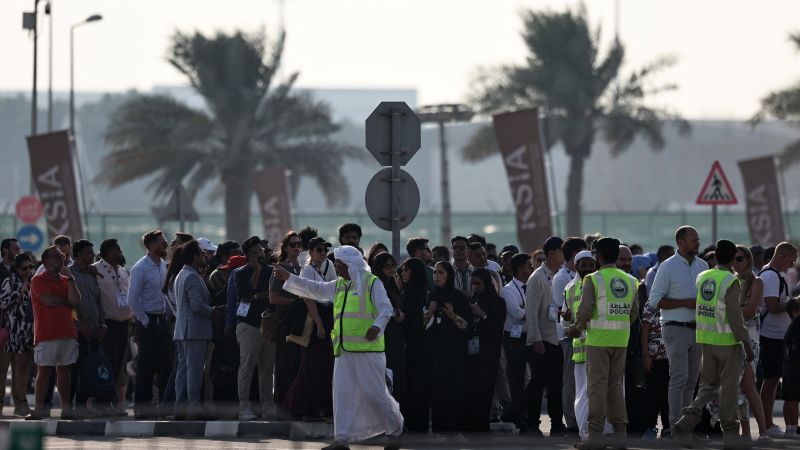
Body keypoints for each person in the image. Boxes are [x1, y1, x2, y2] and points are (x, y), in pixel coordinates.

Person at [274, 245, 403, 450]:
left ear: (350, 264)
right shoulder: (340, 285)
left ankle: (394, 431)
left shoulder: (372, 283)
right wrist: (289, 278)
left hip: (368, 351)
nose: (336, 265)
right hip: (343, 351)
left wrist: (376, 327)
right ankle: (341, 439)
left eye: (339, 263)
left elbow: (386, 309)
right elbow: (316, 289)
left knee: (374, 393)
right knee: (342, 395)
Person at [672, 240, 754, 449]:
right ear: (732, 258)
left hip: (706, 340)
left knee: (707, 387)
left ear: (716, 256)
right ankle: (731, 436)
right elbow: (735, 317)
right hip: (727, 342)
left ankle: (686, 421)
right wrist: (746, 342)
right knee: (728, 389)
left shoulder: (703, 277)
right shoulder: (731, 281)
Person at [567, 237, 639, 449]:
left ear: (598, 256)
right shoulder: (630, 280)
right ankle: (620, 436)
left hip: (598, 341)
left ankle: (595, 436)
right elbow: (634, 313)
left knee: (596, 389)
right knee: (615, 388)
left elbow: (585, 310)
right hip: (621, 340)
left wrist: (576, 328)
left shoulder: (593, 279)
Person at [647, 226, 708, 431]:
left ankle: (686, 427)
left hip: (697, 329)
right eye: (694, 240)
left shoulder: (703, 265)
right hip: (675, 328)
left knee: (692, 381)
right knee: (679, 377)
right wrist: (685, 303)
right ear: (680, 243)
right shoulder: (668, 266)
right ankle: (674, 427)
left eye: (698, 240)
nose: (698, 243)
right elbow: (654, 301)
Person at [283, 237, 336, 421]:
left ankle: (321, 407)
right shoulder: (307, 270)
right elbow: (308, 298)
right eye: (319, 250)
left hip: (328, 313)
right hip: (314, 316)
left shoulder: (329, 266)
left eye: (325, 250)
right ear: (311, 252)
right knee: (312, 365)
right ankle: (302, 407)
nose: (323, 253)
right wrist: (319, 324)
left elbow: (333, 291)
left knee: (325, 366)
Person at [26, 246, 81, 420]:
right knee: (44, 372)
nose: (61, 259)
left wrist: (71, 277)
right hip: (46, 333)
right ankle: (39, 410)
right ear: (45, 260)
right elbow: (48, 300)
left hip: (67, 331)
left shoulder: (66, 280)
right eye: (56, 257)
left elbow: (76, 300)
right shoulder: (38, 280)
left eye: (62, 256)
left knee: (64, 371)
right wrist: (67, 303)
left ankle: (66, 408)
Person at [564, 250, 609, 442]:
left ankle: (604, 431)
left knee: (602, 391)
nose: (588, 268)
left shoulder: (601, 284)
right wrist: (567, 320)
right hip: (582, 349)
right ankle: (585, 433)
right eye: (584, 265)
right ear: (576, 266)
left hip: (601, 345)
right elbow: (566, 323)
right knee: (583, 394)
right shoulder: (569, 288)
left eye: (591, 264)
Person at [173, 240, 220, 420]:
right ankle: (193, 406)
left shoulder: (182, 274)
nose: (205, 256)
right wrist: (214, 312)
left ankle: (180, 406)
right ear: (194, 256)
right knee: (194, 370)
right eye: (201, 253)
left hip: (183, 330)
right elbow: (197, 305)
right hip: (194, 330)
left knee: (184, 369)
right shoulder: (192, 276)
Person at [128, 230, 172, 419]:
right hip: (148, 321)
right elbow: (132, 298)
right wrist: (144, 321)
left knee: (165, 364)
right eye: (163, 243)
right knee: (146, 366)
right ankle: (142, 408)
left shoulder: (163, 265)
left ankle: (162, 406)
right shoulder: (140, 268)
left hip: (162, 320)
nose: (166, 245)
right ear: (152, 245)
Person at [524, 236, 566, 436]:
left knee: (557, 385)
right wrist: (535, 339)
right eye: (561, 251)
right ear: (551, 253)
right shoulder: (537, 277)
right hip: (542, 340)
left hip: (557, 338)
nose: (564, 255)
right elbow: (531, 311)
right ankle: (532, 422)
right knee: (538, 384)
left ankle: (557, 424)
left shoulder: (561, 275)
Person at [424, 261, 471, 433]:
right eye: (435, 272)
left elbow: (467, 327)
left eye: (440, 272)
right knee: (436, 389)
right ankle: (438, 427)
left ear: (449, 275)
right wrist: (429, 313)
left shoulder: (459, 297)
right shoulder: (432, 296)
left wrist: (452, 315)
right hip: (435, 352)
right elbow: (423, 327)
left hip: (453, 351)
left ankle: (452, 427)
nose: (436, 276)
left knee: (452, 389)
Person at [758, 241, 799, 438]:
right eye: (791, 261)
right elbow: (772, 306)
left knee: (776, 380)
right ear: (782, 256)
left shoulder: (775, 275)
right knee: (771, 380)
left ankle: (771, 424)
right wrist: (793, 304)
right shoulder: (771, 276)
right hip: (770, 335)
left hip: (778, 336)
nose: (791, 265)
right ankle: (766, 424)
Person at [235, 236, 276, 421]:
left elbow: (273, 295)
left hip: (268, 326)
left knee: (267, 370)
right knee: (247, 367)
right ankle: (244, 407)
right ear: (247, 256)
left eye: (260, 251)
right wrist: (257, 271)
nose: (259, 255)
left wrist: (258, 296)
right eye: (254, 253)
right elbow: (245, 294)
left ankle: (268, 406)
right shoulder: (241, 273)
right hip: (249, 325)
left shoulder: (273, 272)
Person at [732, 245, 770, 442]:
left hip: (749, 336)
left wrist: (729, 309)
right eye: (732, 259)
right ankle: (745, 431)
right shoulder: (730, 280)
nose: (735, 263)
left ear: (748, 260)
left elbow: (750, 310)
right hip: (730, 335)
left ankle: (762, 431)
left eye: (739, 258)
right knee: (737, 386)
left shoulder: (757, 281)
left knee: (748, 384)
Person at [460, 268, 506, 432]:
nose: (475, 287)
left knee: (484, 391)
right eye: (472, 284)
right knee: (469, 391)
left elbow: (497, 328)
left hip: (488, 355)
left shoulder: (498, 303)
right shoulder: (470, 300)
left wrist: (483, 315)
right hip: (471, 354)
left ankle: (481, 427)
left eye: (478, 283)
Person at [552, 237, 588, 436]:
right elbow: (562, 310)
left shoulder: (580, 276)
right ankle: (572, 423)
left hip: (584, 335)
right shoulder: (564, 278)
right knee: (571, 382)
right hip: (569, 336)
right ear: (574, 255)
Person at [69, 239, 108, 417]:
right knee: (75, 370)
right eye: (88, 252)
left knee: (90, 370)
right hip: (77, 331)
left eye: (92, 252)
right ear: (77, 255)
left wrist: (102, 325)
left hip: (95, 330)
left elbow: (98, 301)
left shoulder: (93, 274)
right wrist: (80, 325)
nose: (92, 255)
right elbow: (70, 306)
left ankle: (84, 406)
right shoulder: (69, 273)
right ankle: (69, 407)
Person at [93, 239, 132, 416]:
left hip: (124, 324)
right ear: (109, 251)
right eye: (117, 249)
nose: (120, 251)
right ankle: (102, 402)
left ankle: (114, 402)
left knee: (118, 365)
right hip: (107, 325)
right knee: (107, 364)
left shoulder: (123, 271)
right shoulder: (95, 270)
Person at [269, 232, 304, 410]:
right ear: (285, 247)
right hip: (285, 321)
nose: (296, 247)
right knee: (285, 364)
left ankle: (295, 403)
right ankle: (282, 406)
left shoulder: (303, 268)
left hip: (301, 323)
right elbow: (273, 298)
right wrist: (297, 303)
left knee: (298, 364)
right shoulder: (280, 268)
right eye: (292, 244)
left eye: (299, 244)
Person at [501, 253, 534, 429]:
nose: (532, 268)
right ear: (520, 269)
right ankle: (517, 413)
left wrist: (527, 310)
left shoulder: (532, 286)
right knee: (516, 377)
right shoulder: (508, 289)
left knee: (534, 377)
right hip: (514, 338)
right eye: (529, 266)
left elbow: (533, 310)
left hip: (530, 336)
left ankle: (520, 409)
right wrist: (531, 310)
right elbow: (517, 313)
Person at [370, 252, 406, 411]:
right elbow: (380, 308)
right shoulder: (378, 285)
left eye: (393, 266)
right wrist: (396, 313)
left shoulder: (391, 284)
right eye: (387, 266)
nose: (391, 269)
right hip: (384, 336)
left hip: (395, 336)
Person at [0, 253, 35, 416]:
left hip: (30, 329)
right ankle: (22, 403)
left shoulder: (35, 281)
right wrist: (19, 291)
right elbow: (3, 302)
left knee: (26, 367)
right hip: (15, 330)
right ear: (17, 269)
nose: (28, 271)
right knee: (19, 367)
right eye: (24, 268)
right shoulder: (11, 281)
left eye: (30, 267)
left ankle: (21, 402)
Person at [400, 257, 431, 431]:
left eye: (407, 270)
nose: (403, 274)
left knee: (419, 385)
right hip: (409, 346)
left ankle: (419, 423)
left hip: (420, 347)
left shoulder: (423, 294)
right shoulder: (406, 292)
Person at [640, 298, 670, 440]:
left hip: (671, 357)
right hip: (654, 357)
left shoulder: (674, 300)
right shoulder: (651, 303)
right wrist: (645, 356)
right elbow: (645, 330)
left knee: (668, 395)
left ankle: (668, 427)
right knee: (653, 394)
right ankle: (650, 427)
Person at [781, 299, 800, 440]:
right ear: (795, 312)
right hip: (795, 367)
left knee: (788, 399)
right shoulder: (798, 323)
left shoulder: (791, 325)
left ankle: (790, 428)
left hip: (788, 366)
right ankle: (793, 428)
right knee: (794, 399)